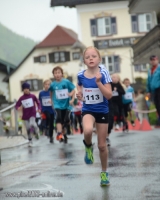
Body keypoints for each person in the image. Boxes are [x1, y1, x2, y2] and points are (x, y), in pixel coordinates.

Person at [77, 46, 112, 186]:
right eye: (87, 57)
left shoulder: (104, 73)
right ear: (84, 61)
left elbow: (109, 95)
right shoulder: (80, 74)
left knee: (102, 146)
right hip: (88, 109)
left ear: (99, 59)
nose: (91, 58)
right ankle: (88, 147)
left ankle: (104, 173)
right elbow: (79, 86)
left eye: (93, 56)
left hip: (102, 110)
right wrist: (79, 93)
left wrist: (98, 82)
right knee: (87, 130)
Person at [49, 66, 75, 143]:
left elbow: (73, 90)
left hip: (67, 104)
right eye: (55, 73)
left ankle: (65, 131)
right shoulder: (53, 84)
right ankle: (59, 133)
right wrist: (51, 100)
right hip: (57, 104)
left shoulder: (66, 82)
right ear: (53, 75)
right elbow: (51, 92)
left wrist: (72, 98)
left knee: (66, 119)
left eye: (59, 73)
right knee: (59, 118)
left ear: (62, 74)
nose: (57, 74)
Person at [15, 82, 41, 147]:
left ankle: (36, 130)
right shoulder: (21, 98)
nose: (26, 90)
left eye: (27, 88)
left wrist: (39, 108)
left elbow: (38, 102)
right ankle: (30, 140)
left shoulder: (33, 96)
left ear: (29, 89)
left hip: (32, 113)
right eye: (24, 89)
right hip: (25, 115)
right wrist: (18, 108)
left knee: (32, 123)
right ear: (23, 90)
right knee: (28, 128)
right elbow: (17, 105)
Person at [147, 55, 160, 125]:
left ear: (157, 60)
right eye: (152, 60)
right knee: (157, 105)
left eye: (154, 60)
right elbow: (148, 81)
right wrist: (148, 91)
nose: (153, 61)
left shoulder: (159, 68)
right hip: (153, 90)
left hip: (159, 88)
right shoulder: (150, 70)